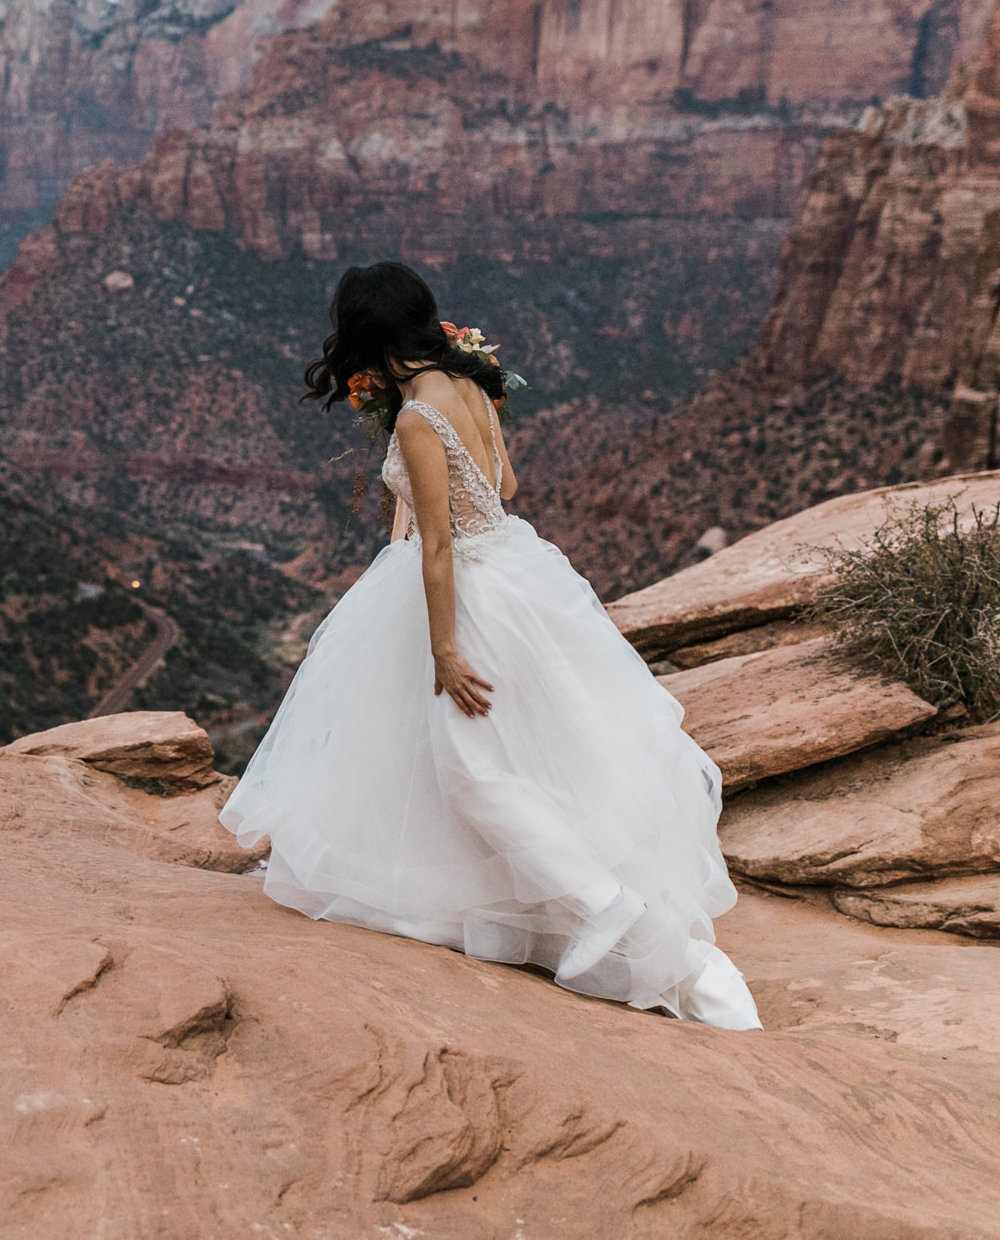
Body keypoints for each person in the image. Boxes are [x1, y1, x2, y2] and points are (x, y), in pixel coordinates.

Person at [221, 262, 760, 1028]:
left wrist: (444, 649)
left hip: (467, 593)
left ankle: (611, 913)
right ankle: (529, 904)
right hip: (517, 569)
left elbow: (436, 546)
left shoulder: (413, 417)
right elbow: (503, 486)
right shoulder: (471, 380)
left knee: (475, 767)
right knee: (526, 749)